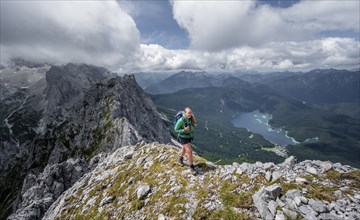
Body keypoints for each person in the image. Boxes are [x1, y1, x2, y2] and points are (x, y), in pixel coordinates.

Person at [174, 107, 197, 174]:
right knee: (189, 151)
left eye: (191, 112)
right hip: (183, 137)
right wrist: (183, 130)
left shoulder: (190, 118)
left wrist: (194, 125)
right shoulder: (181, 120)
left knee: (184, 149)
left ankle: (180, 159)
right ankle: (191, 167)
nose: (190, 114)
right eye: (188, 113)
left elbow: (192, 125)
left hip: (189, 136)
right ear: (185, 113)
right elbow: (175, 129)